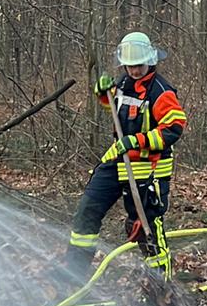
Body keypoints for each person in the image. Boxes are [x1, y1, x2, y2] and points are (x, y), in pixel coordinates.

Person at [66, 32, 187, 281]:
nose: (133, 71)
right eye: (129, 66)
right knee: (88, 209)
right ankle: (72, 276)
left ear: (150, 62)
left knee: (145, 227)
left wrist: (136, 141)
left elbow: (174, 128)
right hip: (118, 161)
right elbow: (118, 109)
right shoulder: (123, 83)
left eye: (138, 66)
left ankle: (161, 284)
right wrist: (103, 94)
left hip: (149, 169)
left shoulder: (161, 92)